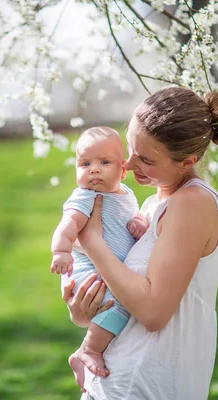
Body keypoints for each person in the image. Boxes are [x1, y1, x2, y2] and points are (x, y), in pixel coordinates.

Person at [61, 87, 218, 399]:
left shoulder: (193, 203)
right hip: (113, 379)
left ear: (186, 161)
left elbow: (154, 312)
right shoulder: (149, 208)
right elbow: (125, 290)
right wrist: (84, 312)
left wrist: (91, 241)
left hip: (144, 385)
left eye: (145, 159)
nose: (127, 164)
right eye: (129, 150)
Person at [50, 126, 149, 383]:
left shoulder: (125, 195)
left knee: (121, 301)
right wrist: (61, 251)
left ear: (123, 171)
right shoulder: (85, 197)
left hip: (104, 265)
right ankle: (88, 350)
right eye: (85, 163)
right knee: (118, 306)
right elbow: (68, 225)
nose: (94, 169)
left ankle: (88, 349)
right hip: (86, 270)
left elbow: (129, 217)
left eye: (104, 162)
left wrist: (139, 222)